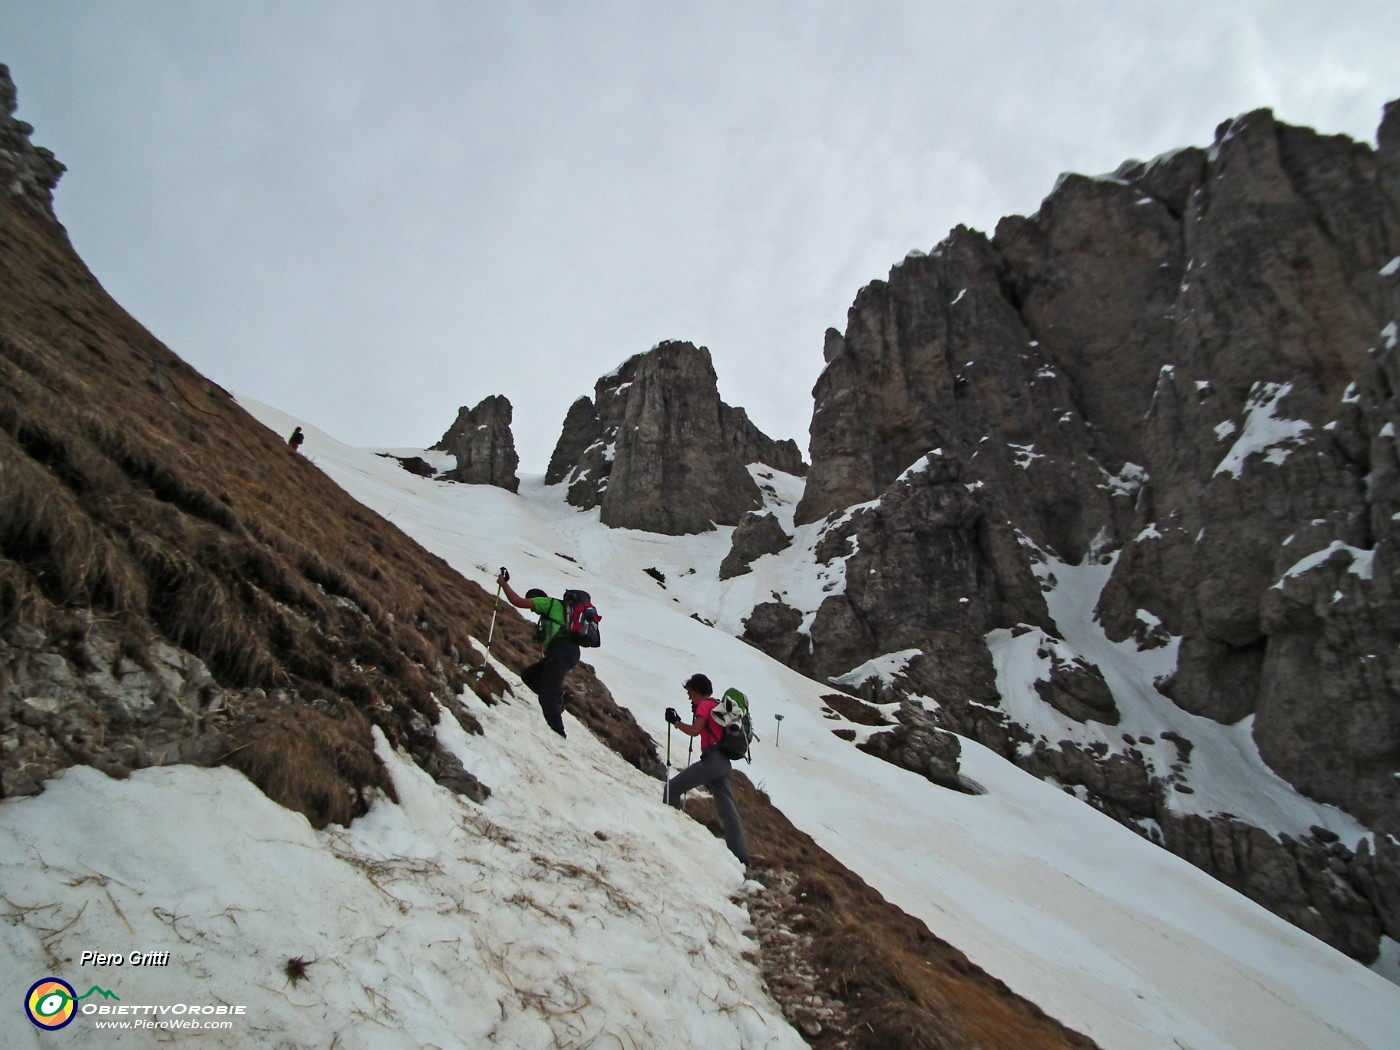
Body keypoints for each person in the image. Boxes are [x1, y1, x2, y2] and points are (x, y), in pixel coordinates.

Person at [665, 673, 749, 866]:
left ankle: (669, 832)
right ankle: (740, 856)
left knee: (672, 788)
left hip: (712, 760)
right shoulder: (716, 705)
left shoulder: (704, 705)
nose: (688, 696)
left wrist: (676, 722)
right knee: (728, 811)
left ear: (697, 690)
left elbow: (695, 731)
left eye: (690, 692)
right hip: (724, 764)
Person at [498, 572, 578, 737]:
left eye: (533, 604)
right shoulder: (552, 615)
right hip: (565, 652)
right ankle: (562, 695)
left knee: (546, 696)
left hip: (562, 651)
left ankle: (558, 733)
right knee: (529, 675)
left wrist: (503, 584)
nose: (533, 610)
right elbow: (544, 643)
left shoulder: (546, 602)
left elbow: (517, 601)